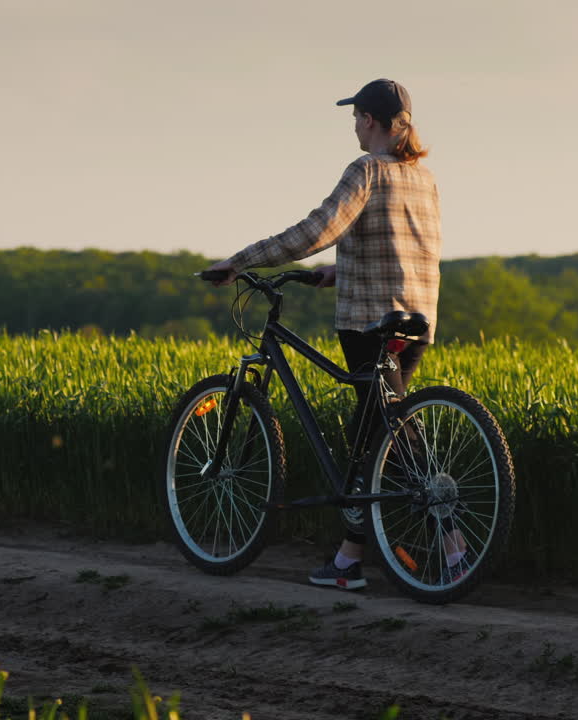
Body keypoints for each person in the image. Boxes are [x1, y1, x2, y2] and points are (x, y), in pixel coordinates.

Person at [203, 78, 450, 590]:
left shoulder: (366, 170)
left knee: (389, 438)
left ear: (371, 121)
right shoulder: (421, 177)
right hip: (416, 318)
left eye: (356, 117)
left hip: (369, 321)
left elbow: (317, 230)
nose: (354, 126)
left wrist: (241, 260)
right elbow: (406, 242)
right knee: (375, 433)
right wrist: (341, 269)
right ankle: (347, 560)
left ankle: (454, 546)